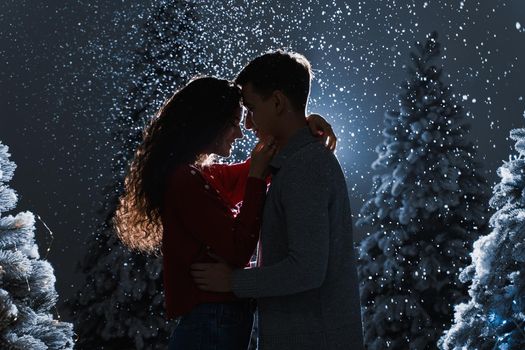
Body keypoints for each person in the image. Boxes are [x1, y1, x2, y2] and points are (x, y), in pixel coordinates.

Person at [113, 76, 336, 350]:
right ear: (207, 123)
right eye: (232, 123)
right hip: (212, 320)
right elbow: (237, 250)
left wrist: (300, 128)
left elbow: (255, 166)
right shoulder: (185, 180)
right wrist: (256, 179)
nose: (240, 133)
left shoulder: (198, 177)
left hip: (213, 319)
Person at [191, 51, 365, 349]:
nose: (247, 124)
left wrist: (233, 282)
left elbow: (307, 269)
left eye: (251, 108)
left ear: (277, 102)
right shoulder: (293, 163)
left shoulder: (305, 167)